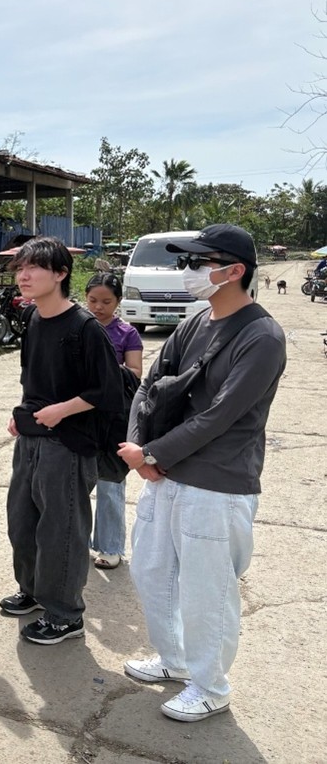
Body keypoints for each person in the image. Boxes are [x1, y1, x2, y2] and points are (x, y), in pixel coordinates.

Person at [117, 224, 286, 722]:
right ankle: (175, 660)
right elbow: (148, 385)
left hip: (216, 481)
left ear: (234, 271)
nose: (188, 272)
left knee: (205, 591)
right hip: (166, 473)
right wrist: (141, 447)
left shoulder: (262, 336)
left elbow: (222, 416)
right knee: (152, 572)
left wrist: (151, 455)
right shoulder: (196, 321)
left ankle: (211, 685)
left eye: (199, 262)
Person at [1, 236, 123, 645]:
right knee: (22, 522)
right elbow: (32, 378)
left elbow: (108, 392)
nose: (24, 275)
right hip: (32, 437)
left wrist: (61, 410)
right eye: (20, 268)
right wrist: (22, 416)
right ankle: (34, 591)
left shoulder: (85, 328)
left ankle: (65, 614)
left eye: (33, 267)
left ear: (60, 274)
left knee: (62, 531)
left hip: (68, 443)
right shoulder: (35, 318)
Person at [84, 272, 143, 569]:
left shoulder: (128, 333)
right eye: (93, 300)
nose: (98, 307)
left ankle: (110, 547)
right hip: (80, 415)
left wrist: (108, 368)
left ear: (118, 302)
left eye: (106, 301)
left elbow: (135, 373)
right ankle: (76, 541)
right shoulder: (78, 326)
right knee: (76, 483)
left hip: (113, 417)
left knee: (109, 482)